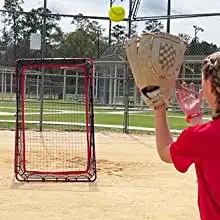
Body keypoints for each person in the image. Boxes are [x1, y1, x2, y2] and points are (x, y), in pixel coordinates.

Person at [154, 51, 220, 220]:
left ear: (212, 86)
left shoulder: (200, 138)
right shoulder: (202, 138)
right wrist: (195, 118)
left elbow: (165, 152)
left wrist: (159, 105)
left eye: (202, 81)